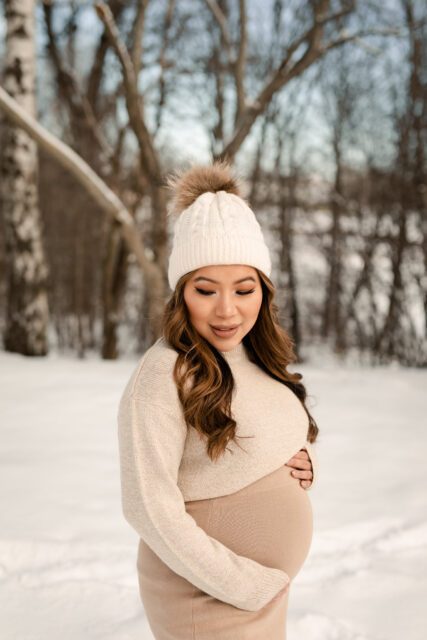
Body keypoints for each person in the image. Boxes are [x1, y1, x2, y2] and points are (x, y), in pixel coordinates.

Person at [117, 160, 319, 639]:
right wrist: (243, 585)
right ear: (180, 292)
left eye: (244, 289)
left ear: (263, 292)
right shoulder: (163, 374)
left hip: (258, 594)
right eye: (205, 290)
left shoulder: (253, 354)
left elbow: (261, 430)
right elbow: (147, 506)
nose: (227, 310)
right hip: (205, 595)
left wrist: (302, 461)